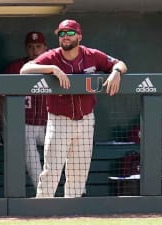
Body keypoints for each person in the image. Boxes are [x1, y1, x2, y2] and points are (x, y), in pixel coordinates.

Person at [20, 19, 128, 198]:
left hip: (85, 119)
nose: (65, 37)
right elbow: (25, 69)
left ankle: (72, 214)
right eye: (61, 34)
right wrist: (52, 69)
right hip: (59, 120)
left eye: (70, 33)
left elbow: (120, 63)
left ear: (79, 36)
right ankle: (41, 211)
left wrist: (116, 72)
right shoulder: (52, 56)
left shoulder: (91, 55)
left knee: (79, 172)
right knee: (52, 170)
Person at [0, 31, 48, 189]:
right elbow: (2, 99)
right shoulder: (15, 67)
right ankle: (42, 190)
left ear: (45, 48)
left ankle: (79, 191)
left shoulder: (55, 66)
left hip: (50, 125)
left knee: (66, 149)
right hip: (25, 125)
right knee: (29, 149)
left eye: (38, 46)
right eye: (31, 47)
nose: (35, 50)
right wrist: (4, 125)